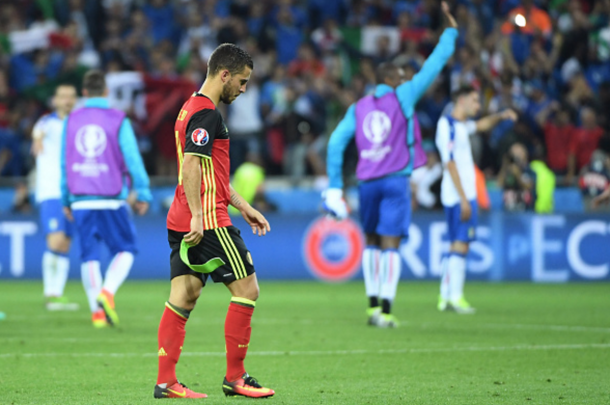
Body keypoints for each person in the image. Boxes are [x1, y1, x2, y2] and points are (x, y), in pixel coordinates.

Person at [323, 2, 458, 328]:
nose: (404, 77)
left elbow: (335, 143)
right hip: (396, 180)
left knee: (371, 240)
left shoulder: (359, 107)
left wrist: (334, 186)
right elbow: (435, 65)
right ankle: (385, 309)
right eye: (399, 75)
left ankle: (372, 307)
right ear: (391, 78)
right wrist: (450, 32)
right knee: (391, 243)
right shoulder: (404, 95)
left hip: (367, 182)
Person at [155, 43, 274, 399]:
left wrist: (243, 205)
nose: (243, 89)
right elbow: (192, 166)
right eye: (241, 81)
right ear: (224, 74)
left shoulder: (188, 107)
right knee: (247, 290)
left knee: (184, 295)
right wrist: (198, 214)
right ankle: (235, 378)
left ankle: (166, 382)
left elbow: (213, 175)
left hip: (183, 217)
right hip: (206, 221)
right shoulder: (208, 114)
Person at [61, 70, 151, 328]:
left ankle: (97, 314)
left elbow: (64, 161)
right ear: (106, 92)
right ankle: (107, 292)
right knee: (126, 249)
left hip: (80, 198)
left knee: (89, 255)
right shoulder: (117, 119)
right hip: (111, 198)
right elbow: (132, 158)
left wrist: (67, 197)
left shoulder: (72, 120)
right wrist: (142, 191)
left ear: (85, 93)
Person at [435, 85, 517, 314]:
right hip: (458, 195)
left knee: (456, 244)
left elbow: (481, 125)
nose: (478, 106)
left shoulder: (460, 126)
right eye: (475, 101)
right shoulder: (447, 126)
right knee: (461, 244)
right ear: (461, 100)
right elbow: (449, 163)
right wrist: (463, 198)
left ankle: (445, 296)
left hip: (458, 194)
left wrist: (500, 116)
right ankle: (456, 297)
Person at [31, 84, 79, 311]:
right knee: (56, 239)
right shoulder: (47, 122)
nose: (67, 100)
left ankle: (57, 295)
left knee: (66, 243)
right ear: (55, 100)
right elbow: (37, 133)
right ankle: (50, 294)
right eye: (63, 96)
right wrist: (37, 140)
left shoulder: (79, 123)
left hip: (73, 193)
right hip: (51, 191)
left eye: (71, 96)